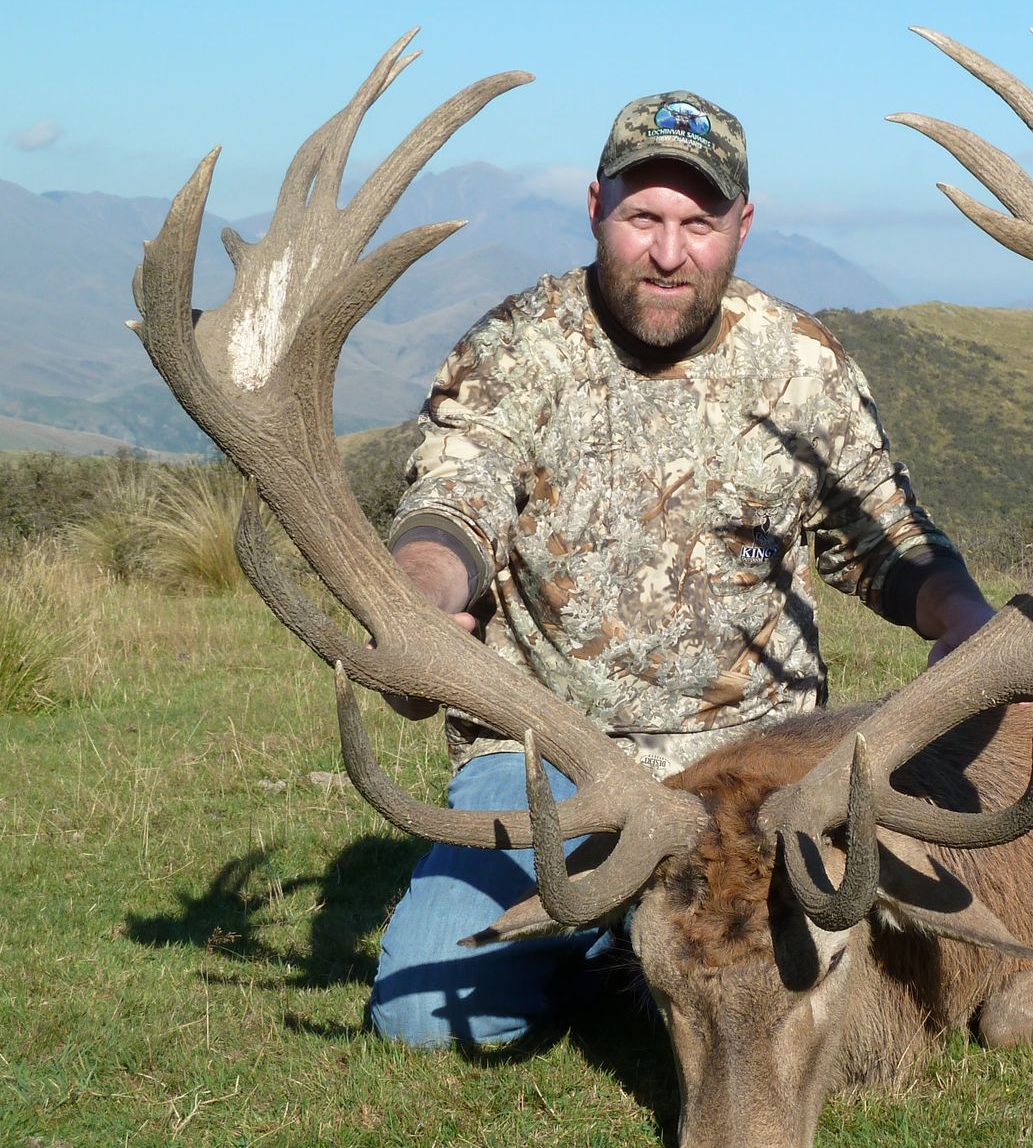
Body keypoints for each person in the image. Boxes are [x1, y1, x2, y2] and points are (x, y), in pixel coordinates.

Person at [366, 91, 995, 1048]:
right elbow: (452, 509)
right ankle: (631, 940)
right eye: (643, 217)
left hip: (762, 778)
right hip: (556, 767)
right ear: (595, 208)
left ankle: (624, 942)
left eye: (698, 222)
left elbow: (885, 538)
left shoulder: (800, 364)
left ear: (742, 224)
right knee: (424, 1021)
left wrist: (963, 616)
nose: (669, 252)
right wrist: (417, 602)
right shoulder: (515, 349)